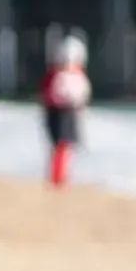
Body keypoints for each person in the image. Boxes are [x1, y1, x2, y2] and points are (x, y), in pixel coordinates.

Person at [41, 33, 92, 188]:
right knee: (59, 146)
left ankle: (61, 177)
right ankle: (57, 178)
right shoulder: (55, 75)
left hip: (69, 113)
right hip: (59, 113)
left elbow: (82, 93)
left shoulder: (74, 74)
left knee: (65, 147)